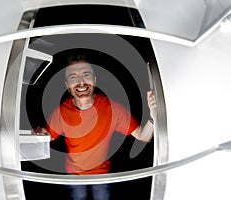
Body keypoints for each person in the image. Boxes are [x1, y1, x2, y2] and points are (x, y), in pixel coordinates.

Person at [33, 54, 156, 200]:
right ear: (67, 86)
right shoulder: (61, 111)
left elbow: (143, 137)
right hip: (74, 175)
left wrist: (153, 117)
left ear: (94, 80)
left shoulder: (113, 108)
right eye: (73, 76)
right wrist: (37, 135)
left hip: (101, 175)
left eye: (86, 74)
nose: (81, 82)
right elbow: (47, 137)